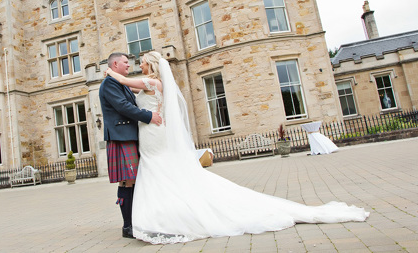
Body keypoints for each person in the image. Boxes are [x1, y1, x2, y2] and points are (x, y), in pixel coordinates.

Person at [105, 51, 370, 245]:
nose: (136, 65)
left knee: (157, 169)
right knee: (158, 172)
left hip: (154, 134)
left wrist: (107, 72)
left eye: (139, 63)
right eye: (130, 63)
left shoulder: (152, 82)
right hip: (152, 134)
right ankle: (159, 214)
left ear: (150, 66)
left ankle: (160, 217)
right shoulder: (153, 83)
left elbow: (126, 84)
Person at [99, 52, 162, 239]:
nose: (129, 65)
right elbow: (123, 107)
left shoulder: (119, 82)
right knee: (127, 180)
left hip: (129, 135)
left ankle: (135, 221)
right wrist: (149, 116)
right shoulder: (110, 83)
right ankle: (128, 226)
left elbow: (141, 92)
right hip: (122, 136)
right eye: (126, 63)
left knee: (132, 180)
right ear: (116, 63)